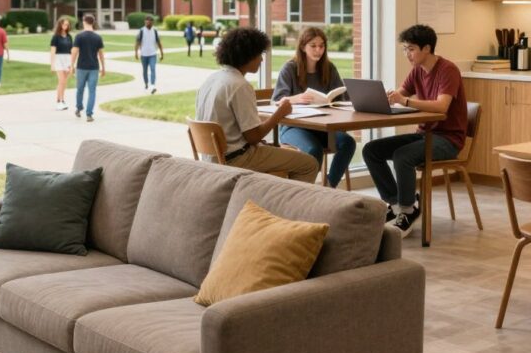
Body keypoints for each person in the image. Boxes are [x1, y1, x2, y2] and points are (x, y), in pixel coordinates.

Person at [361, 24, 467, 237]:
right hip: (425, 135)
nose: (407, 54)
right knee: (371, 150)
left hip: (448, 140)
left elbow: (441, 106)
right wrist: (381, 99)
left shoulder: (448, 70)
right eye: (405, 49)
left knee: (403, 156)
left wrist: (406, 101)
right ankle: (395, 204)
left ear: (427, 48)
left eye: (411, 49)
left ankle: (409, 210)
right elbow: (399, 95)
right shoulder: (417, 71)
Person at [195, 27, 318, 182]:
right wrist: (280, 114)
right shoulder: (239, 85)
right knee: (309, 164)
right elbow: (254, 137)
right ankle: (289, 205)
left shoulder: (211, 80)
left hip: (211, 158)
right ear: (247, 55)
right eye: (259, 54)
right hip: (237, 159)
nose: (261, 59)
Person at [273, 26, 356, 188]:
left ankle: (328, 186)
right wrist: (295, 98)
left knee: (348, 142)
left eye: (321, 45)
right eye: (313, 45)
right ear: (303, 47)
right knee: (313, 149)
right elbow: (276, 100)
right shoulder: (289, 68)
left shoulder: (329, 68)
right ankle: (307, 191)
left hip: (322, 127)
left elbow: (341, 97)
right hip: (293, 127)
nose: (318, 50)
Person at [70, 15, 105, 123]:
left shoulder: (79, 36)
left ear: (84, 22)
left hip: (81, 67)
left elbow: (74, 51)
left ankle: (79, 108)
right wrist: (103, 67)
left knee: (80, 89)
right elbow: (101, 54)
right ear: (93, 22)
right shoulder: (98, 37)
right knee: (92, 91)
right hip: (94, 67)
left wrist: (72, 65)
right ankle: (89, 114)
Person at [135, 15, 164, 94]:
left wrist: (162, 53)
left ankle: (152, 86)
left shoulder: (155, 31)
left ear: (152, 23)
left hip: (152, 54)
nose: (148, 23)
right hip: (144, 55)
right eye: (147, 21)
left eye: (150, 22)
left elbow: (159, 43)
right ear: (145, 22)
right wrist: (136, 53)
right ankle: (146, 83)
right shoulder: (141, 31)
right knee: (144, 71)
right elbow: (137, 42)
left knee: (153, 69)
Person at [50, 18, 74, 110]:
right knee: (61, 81)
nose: (66, 26)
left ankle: (62, 100)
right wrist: (52, 64)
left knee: (64, 82)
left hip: (67, 59)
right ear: (60, 25)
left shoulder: (69, 36)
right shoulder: (55, 37)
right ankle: (59, 101)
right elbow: (52, 51)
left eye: (67, 25)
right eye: (64, 24)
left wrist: (72, 63)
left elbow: (72, 50)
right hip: (58, 59)